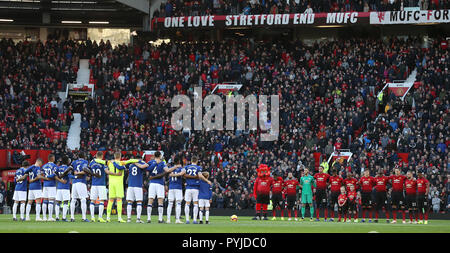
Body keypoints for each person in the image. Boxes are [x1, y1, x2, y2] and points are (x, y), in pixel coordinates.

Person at [95, 151, 140, 223]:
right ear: (120, 156)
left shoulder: (109, 162)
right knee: (119, 200)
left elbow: (98, 160)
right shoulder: (122, 163)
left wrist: (94, 159)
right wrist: (139, 160)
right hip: (119, 183)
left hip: (111, 183)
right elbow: (131, 160)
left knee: (110, 200)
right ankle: (119, 218)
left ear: (114, 156)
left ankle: (108, 217)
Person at [89, 151, 118, 223]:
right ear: (102, 156)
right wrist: (115, 174)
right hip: (101, 184)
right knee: (101, 201)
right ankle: (100, 217)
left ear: (96, 155)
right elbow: (107, 172)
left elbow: (88, 170)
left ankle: (92, 217)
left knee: (92, 201)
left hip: (94, 184)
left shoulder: (92, 162)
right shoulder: (103, 162)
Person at [183, 155, 210, 224]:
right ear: (197, 161)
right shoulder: (198, 167)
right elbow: (200, 175)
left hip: (188, 187)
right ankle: (195, 220)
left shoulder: (186, 167)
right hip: (195, 188)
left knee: (187, 204)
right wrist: (207, 181)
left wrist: (188, 177)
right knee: (195, 204)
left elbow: (183, 174)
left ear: (191, 161)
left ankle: (187, 220)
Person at [125, 155, 149, 223]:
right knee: (139, 202)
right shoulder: (141, 163)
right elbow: (146, 165)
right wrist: (138, 162)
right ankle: (138, 219)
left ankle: (128, 219)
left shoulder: (130, 164)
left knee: (129, 202)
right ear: (140, 159)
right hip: (138, 185)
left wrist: (134, 162)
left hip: (130, 185)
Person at [70, 152, 90, 222]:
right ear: (84, 156)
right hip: (81, 182)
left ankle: (72, 217)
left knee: (73, 200)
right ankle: (84, 218)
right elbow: (84, 170)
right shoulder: (85, 161)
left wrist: (75, 174)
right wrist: (79, 173)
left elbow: (71, 171)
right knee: (83, 199)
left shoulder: (74, 162)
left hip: (74, 182)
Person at [167, 155, 185, 224]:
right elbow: (181, 173)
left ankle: (168, 219)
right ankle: (177, 219)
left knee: (170, 203)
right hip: (178, 188)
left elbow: (168, 171)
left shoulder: (171, 168)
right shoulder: (181, 168)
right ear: (179, 161)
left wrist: (172, 175)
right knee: (178, 203)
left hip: (171, 187)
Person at [54, 156, 72, 221]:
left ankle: (57, 217)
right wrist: (75, 176)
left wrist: (60, 180)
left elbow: (54, 176)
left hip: (59, 187)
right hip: (65, 187)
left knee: (58, 202)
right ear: (67, 161)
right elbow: (70, 176)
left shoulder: (58, 168)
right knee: (66, 202)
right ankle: (64, 217)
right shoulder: (67, 168)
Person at [41, 154, 58, 221]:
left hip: (45, 185)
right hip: (51, 185)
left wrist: (46, 178)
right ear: (52, 158)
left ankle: (44, 217)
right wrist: (49, 177)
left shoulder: (44, 166)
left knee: (45, 201)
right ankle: (50, 217)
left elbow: (42, 174)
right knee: (51, 201)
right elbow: (55, 175)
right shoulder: (54, 166)